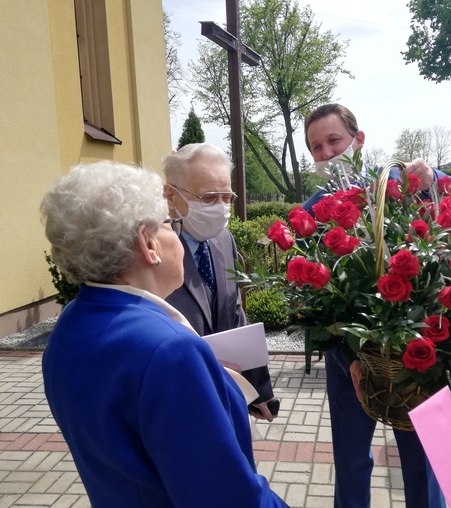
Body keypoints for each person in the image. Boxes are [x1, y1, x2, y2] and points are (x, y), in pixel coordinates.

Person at [40, 160, 287, 507]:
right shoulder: (170, 351)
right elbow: (228, 497)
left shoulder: (70, 323)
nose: (177, 233)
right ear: (148, 244)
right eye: (170, 224)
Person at [302, 103, 446, 508]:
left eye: (334, 141)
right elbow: (311, 301)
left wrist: (432, 177)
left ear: (358, 140)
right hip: (348, 358)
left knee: (420, 458)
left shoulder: (399, 188)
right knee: (350, 458)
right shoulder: (312, 212)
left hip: (413, 355)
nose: (327, 154)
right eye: (316, 147)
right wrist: (347, 353)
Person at [163, 143, 278, 421]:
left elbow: (234, 312)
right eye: (208, 197)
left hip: (227, 398)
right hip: (176, 403)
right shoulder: (155, 251)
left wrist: (259, 390)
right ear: (170, 196)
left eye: (227, 197)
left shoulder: (224, 238)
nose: (221, 208)